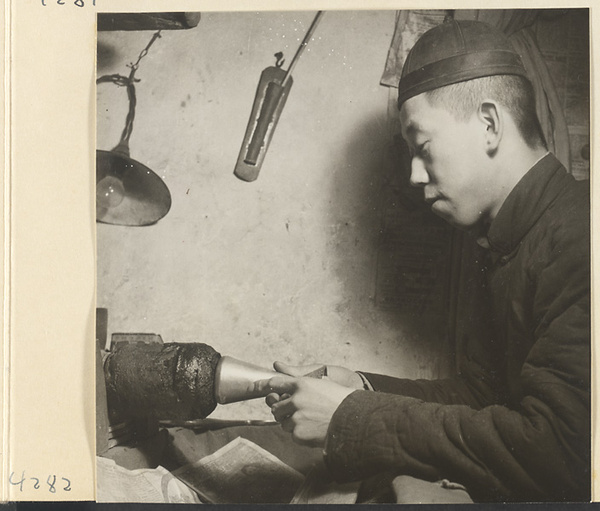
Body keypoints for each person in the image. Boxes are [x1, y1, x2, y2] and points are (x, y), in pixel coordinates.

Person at [257, 19, 590, 503]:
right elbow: (484, 398)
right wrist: (362, 388)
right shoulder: (505, 240)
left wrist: (351, 416)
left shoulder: (583, 236)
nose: (415, 174)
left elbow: (560, 454)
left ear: (490, 123)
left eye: (423, 147)